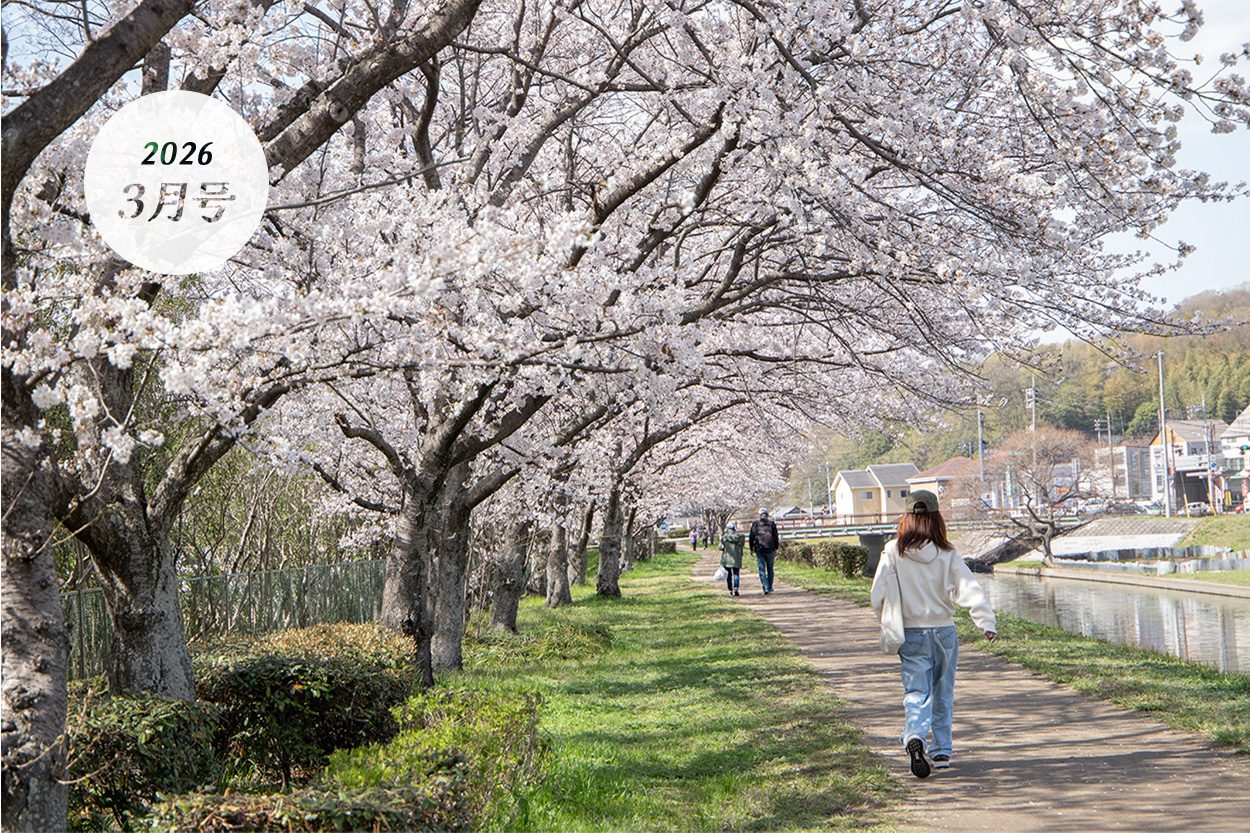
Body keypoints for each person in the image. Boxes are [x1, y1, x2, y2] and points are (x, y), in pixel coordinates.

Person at [870, 489, 996, 779]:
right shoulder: (947, 553)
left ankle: (914, 734)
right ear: (937, 519)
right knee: (943, 692)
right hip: (944, 632)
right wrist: (985, 622)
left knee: (917, 692)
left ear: (906, 518)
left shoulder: (893, 551)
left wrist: (886, 619)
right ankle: (941, 752)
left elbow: (877, 595)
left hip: (910, 633)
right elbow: (969, 589)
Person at [748, 508, 779, 594]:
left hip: (759, 549)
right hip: (770, 549)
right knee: (770, 569)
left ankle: (765, 587)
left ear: (760, 515)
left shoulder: (756, 524)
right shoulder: (772, 524)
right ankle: (770, 587)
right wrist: (776, 548)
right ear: (767, 514)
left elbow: (751, 537)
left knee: (761, 569)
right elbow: (776, 537)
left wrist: (751, 548)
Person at [719, 522, 745, 596]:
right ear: (734, 529)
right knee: (736, 574)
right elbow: (742, 545)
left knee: (728, 575)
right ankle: (736, 588)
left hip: (727, 559)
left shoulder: (724, 538)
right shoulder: (739, 537)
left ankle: (730, 590)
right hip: (737, 558)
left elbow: (720, 547)